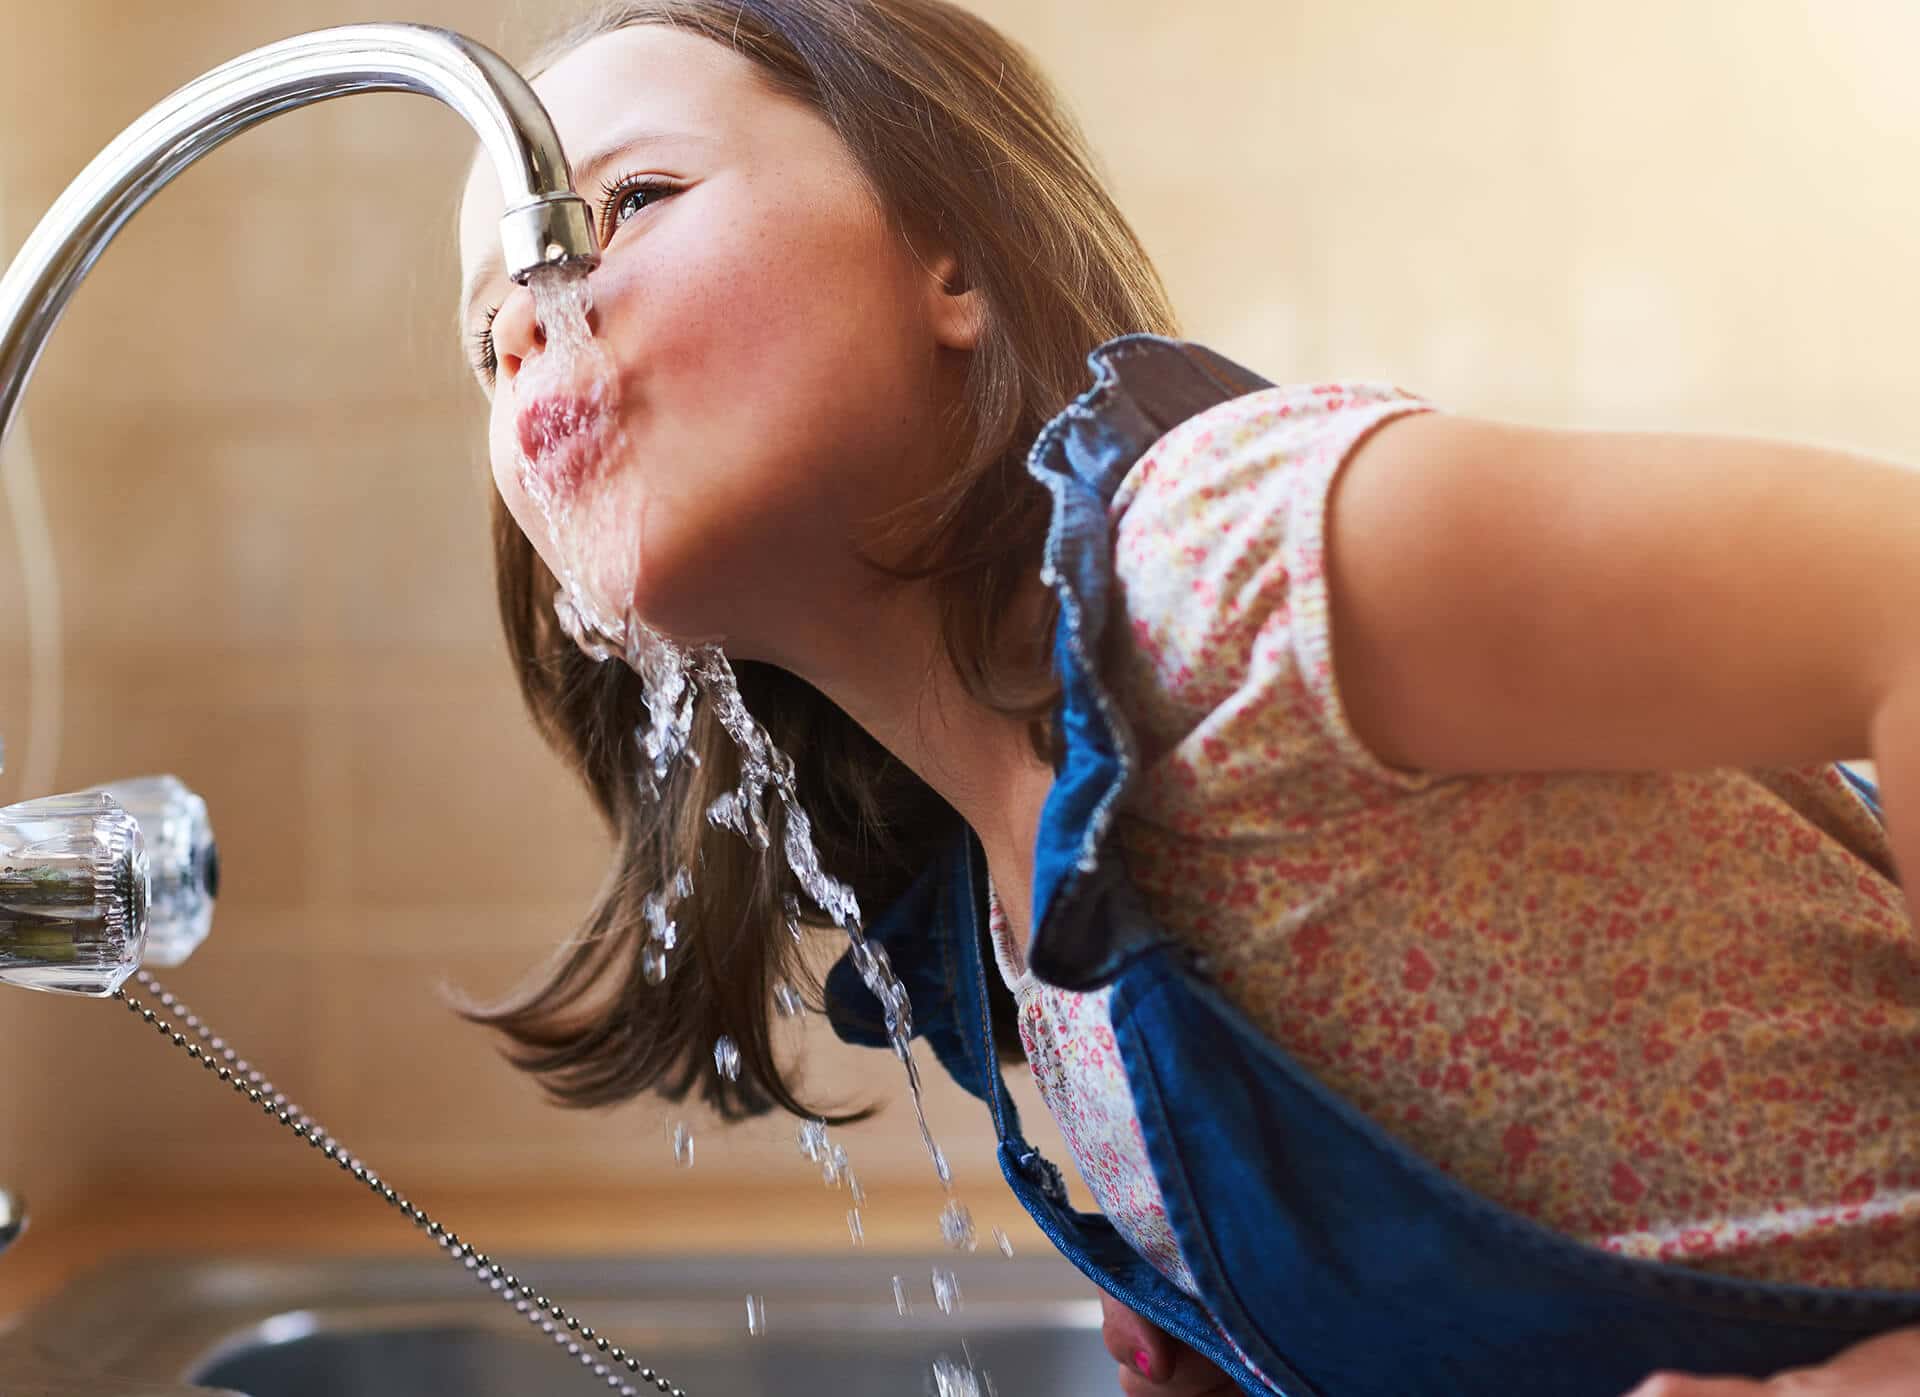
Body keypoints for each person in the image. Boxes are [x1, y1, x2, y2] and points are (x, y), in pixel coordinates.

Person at [453, 3, 1920, 1392]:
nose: (532, 318)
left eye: (625, 202)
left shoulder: (1229, 567)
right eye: (484, 334)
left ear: (951, 260)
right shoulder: (1013, 930)